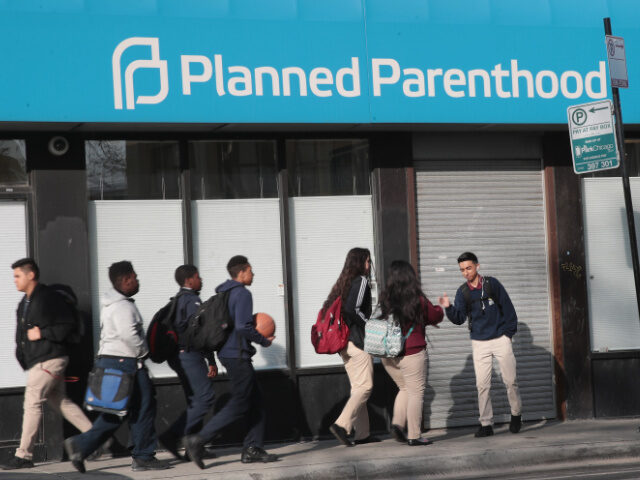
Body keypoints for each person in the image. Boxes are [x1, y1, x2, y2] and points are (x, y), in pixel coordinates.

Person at [64, 261, 169, 472]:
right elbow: (129, 335)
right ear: (126, 279)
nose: (137, 280)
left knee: (118, 411)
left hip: (115, 361)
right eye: (135, 276)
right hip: (126, 363)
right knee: (142, 407)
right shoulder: (122, 306)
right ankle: (142, 456)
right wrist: (144, 352)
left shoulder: (114, 304)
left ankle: (83, 446)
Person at [183, 255, 277, 469]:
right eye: (251, 270)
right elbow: (244, 326)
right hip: (237, 354)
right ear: (242, 272)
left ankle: (252, 448)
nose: (253, 274)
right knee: (240, 402)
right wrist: (264, 341)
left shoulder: (224, 292)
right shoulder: (242, 293)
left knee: (256, 401)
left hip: (228, 353)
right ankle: (199, 439)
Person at [1, 258, 93, 470]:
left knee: (32, 402)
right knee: (59, 401)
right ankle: (96, 437)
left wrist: (42, 333)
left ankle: (24, 455)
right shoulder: (25, 303)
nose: (14, 280)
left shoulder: (48, 298)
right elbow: (22, 336)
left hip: (49, 358)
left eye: (17, 276)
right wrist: (22, 354)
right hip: (40, 359)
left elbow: (66, 326)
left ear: (31, 275)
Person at [438, 252, 522, 438]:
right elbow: (459, 318)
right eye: (462, 270)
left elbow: (508, 308)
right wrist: (448, 307)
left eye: (468, 268)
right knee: (482, 385)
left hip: (501, 339)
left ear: (477, 266)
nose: (466, 272)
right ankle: (486, 424)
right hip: (479, 342)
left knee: (510, 381)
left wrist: (508, 334)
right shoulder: (463, 292)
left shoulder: (492, 284)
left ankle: (516, 415)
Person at [378, 260, 443, 446]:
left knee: (405, 388)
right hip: (411, 352)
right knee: (416, 393)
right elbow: (434, 315)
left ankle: (398, 424)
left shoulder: (385, 298)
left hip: (388, 355)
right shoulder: (417, 299)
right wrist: (441, 307)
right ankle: (414, 435)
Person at [159, 264, 217, 460]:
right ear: (189, 280)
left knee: (195, 399)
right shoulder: (191, 300)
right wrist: (211, 359)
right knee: (206, 397)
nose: (201, 280)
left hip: (178, 356)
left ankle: (194, 447)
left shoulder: (177, 300)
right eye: (198, 277)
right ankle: (172, 435)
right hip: (190, 355)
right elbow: (201, 332)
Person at [327, 247, 377, 447]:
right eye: (368, 261)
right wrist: (370, 325)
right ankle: (341, 425)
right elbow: (353, 310)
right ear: (361, 262)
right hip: (357, 342)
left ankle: (362, 434)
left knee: (358, 388)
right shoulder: (362, 281)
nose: (369, 265)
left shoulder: (343, 284)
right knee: (366, 387)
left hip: (344, 345)